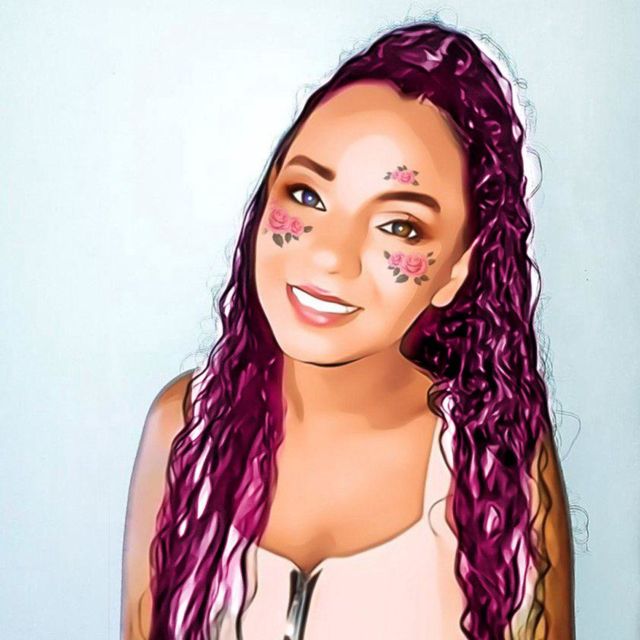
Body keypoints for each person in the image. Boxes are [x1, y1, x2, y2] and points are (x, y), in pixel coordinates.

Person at [121, 21, 575, 640]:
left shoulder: (496, 459)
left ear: (458, 269)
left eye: (400, 227)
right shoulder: (183, 429)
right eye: (307, 195)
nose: (331, 255)